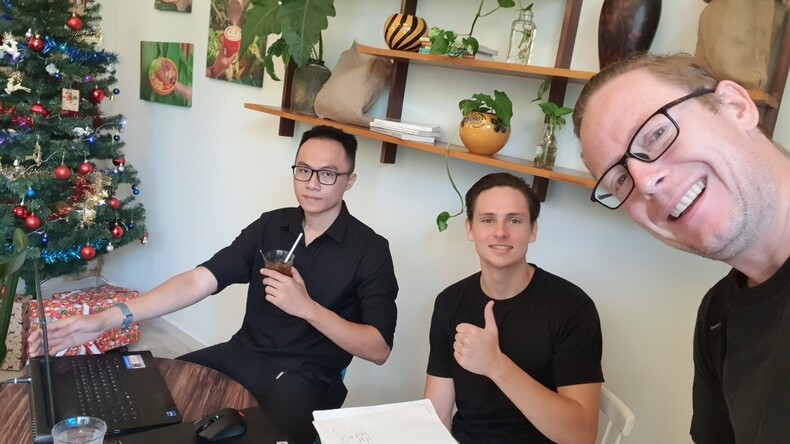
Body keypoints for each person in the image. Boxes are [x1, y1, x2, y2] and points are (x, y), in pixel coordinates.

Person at [28, 125, 399, 444]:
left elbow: (378, 348)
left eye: (328, 174)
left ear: (349, 180)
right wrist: (107, 319)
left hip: (306, 379)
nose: (312, 183)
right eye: (303, 170)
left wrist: (307, 308)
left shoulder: (370, 250)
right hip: (241, 355)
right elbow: (198, 280)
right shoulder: (272, 225)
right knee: (148, 399)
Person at [573, 52, 790, 443]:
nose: (643, 182)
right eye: (619, 180)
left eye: (656, 134)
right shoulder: (717, 318)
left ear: (736, 107)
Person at [423, 172, 603, 444]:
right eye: (488, 220)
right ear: (470, 229)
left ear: (533, 230)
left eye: (514, 220)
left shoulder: (572, 307)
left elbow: (581, 435)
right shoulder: (450, 301)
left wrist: (496, 364)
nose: (500, 232)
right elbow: (438, 412)